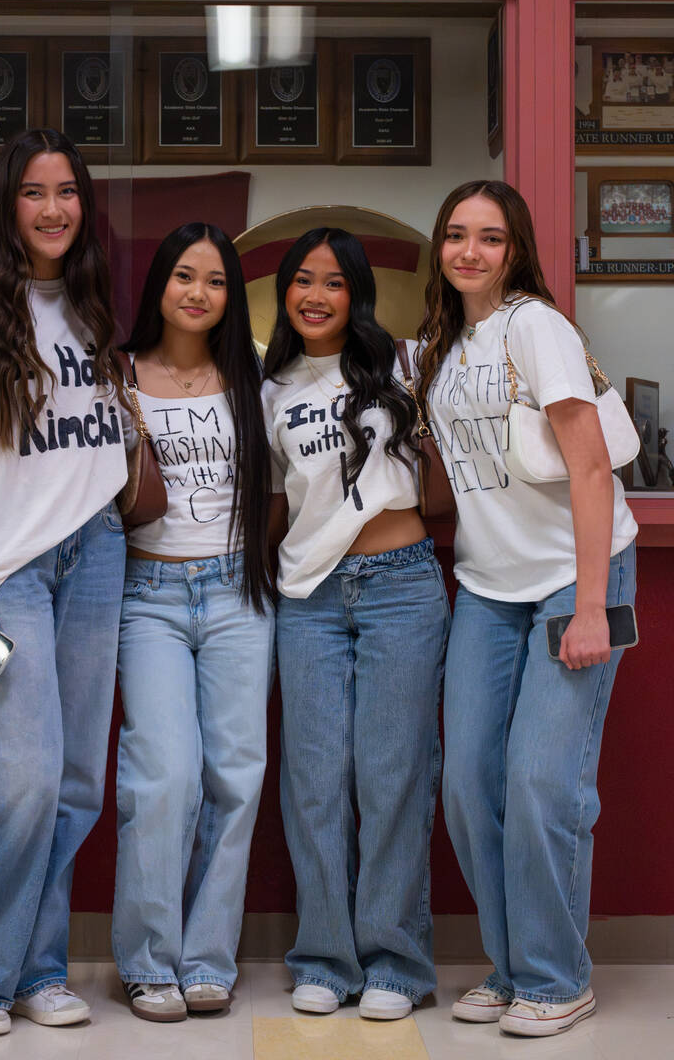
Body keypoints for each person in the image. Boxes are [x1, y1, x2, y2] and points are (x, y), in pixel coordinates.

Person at [0, 128, 128, 1038]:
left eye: (67, 191)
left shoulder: (89, 306)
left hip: (97, 556)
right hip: (9, 579)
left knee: (79, 779)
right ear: (8, 207)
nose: (53, 209)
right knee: (23, 780)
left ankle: (40, 967)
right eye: (34, 193)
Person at [414, 180, 637, 1037]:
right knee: (470, 785)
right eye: (457, 235)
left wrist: (589, 607)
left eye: (491, 238)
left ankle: (556, 975)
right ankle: (512, 970)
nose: (471, 251)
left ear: (517, 251)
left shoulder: (535, 326)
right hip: (485, 586)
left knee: (542, 781)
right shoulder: (444, 345)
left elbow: (589, 470)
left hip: (573, 579)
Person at [262, 227, 450, 1022]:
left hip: (402, 587)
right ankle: (325, 958)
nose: (315, 295)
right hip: (307, 596)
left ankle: (396, 962)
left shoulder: (406, 362)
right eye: (302, 281)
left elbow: (447, 478)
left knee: (393, 775)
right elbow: (276, 506)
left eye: (333, 283)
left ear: (358, 293)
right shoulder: (267, 388)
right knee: (313, 781)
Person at [112, 223, 274, 1023]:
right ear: (160, 286)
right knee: (164, 774)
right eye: (184, 276)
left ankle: (208, 958)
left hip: (240, 594)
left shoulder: (252, 377)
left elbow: (279, 495)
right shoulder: (119, 377)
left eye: (215, 281)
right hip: (149, 597)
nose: (198, 293)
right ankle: (148, 962)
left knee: (236, 779)